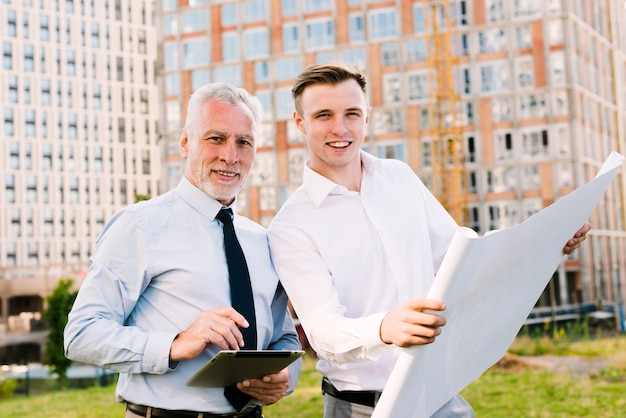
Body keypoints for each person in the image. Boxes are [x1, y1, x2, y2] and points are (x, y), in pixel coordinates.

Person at [267, 62, 591, 418]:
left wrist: (544, 240)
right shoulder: (291, 225)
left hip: (439, 393)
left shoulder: (399, 177)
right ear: (300, 123)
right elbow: (322, 329)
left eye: (352, 113)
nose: (340, 128)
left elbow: (461, 257)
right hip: (361, 408)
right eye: (324, 115)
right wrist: (385, 326)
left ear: (368, 117)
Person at [64, 83, 302, 418]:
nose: (230, 156)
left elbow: (284, 338)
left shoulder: (263, 241)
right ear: (185, 143)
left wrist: (285, 378)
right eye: (216, 138)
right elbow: (81, 334)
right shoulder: (140, 225)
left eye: (243, 142)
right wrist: (174, 344)